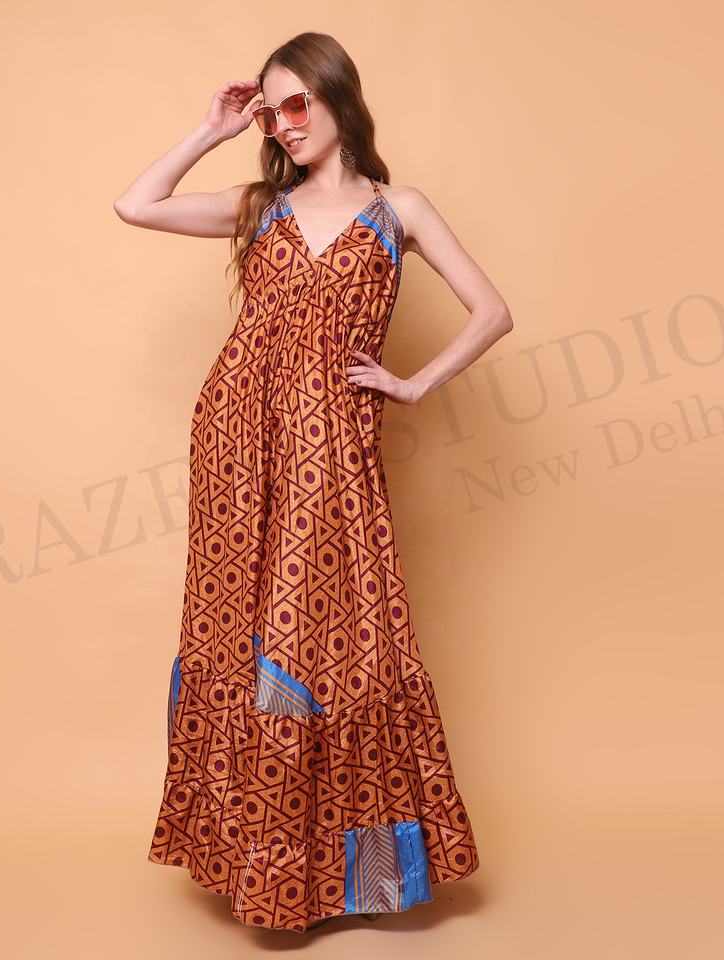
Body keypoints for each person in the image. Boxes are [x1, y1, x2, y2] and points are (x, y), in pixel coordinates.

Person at [114, 32, 513, 934]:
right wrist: (213, 130)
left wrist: (413, 384)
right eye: (271, 112)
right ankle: (253, 865)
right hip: (235, 440)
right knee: (237, 635)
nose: (285, 124)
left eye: (298, 103)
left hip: (334, 447)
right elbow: (134, 205)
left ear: (339, 97)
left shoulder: (398, 209)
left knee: (343, 642)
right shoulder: (260, 207)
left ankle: (356, 877)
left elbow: (492, 311)